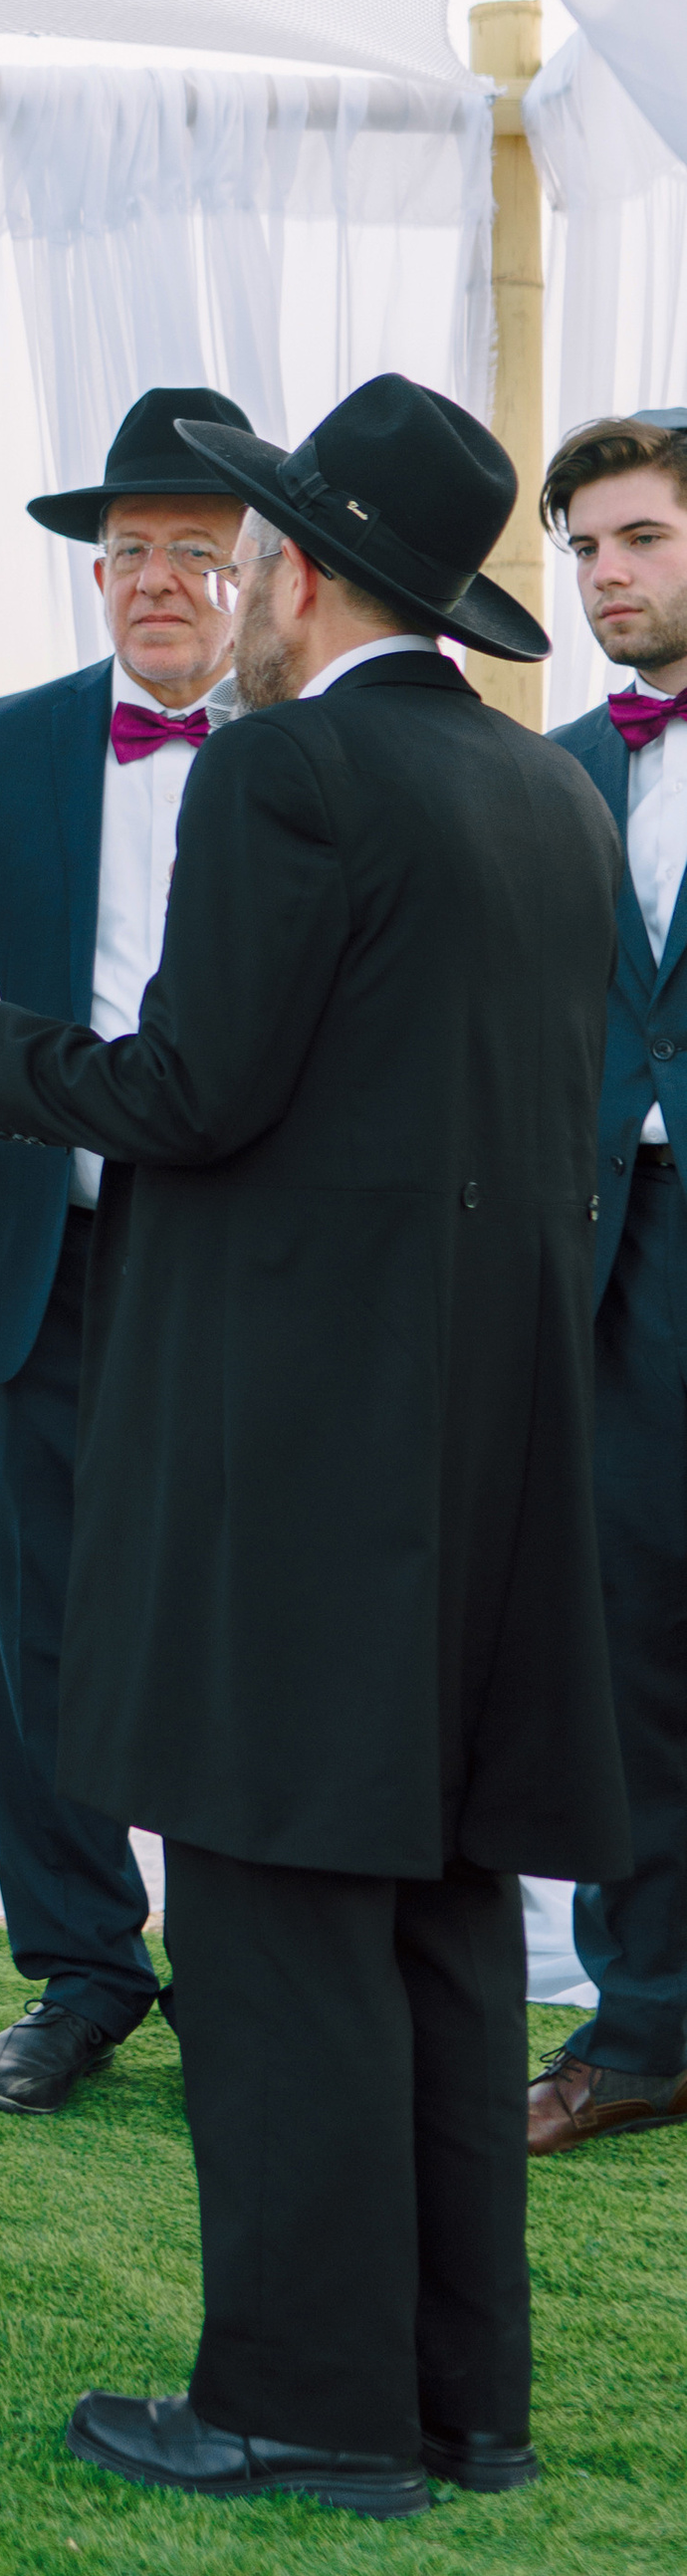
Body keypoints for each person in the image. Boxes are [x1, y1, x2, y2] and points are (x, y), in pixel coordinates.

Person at [0, 374, 628, 2516]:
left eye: (248, 546)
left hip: (294, 1461)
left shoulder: (283, 770)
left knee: (274, 1935)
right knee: (442, 1927)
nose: (227, 581)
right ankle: (460, 2404)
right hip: (481, 1453)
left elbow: (190, 1096)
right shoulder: (542, 794)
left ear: (295, 569)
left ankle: (294, 2404)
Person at [0, 386, 252, 2117]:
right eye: (132, 553)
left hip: (240, 1267)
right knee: (32, 1617)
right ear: (95, 576)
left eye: (199, 551)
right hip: (30, 1252)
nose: (161, 581)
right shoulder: (3, 741)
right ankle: (79, 1971)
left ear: (259, 571)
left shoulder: (309, 750)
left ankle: (248, 1972)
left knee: (232, 1617)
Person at [532, 409, 687, 2155]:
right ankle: (639, 2029)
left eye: (637, 538)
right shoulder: (557, 769)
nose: (604, 577)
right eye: (582, 550)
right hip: (604, 1261)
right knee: (629, 1652)